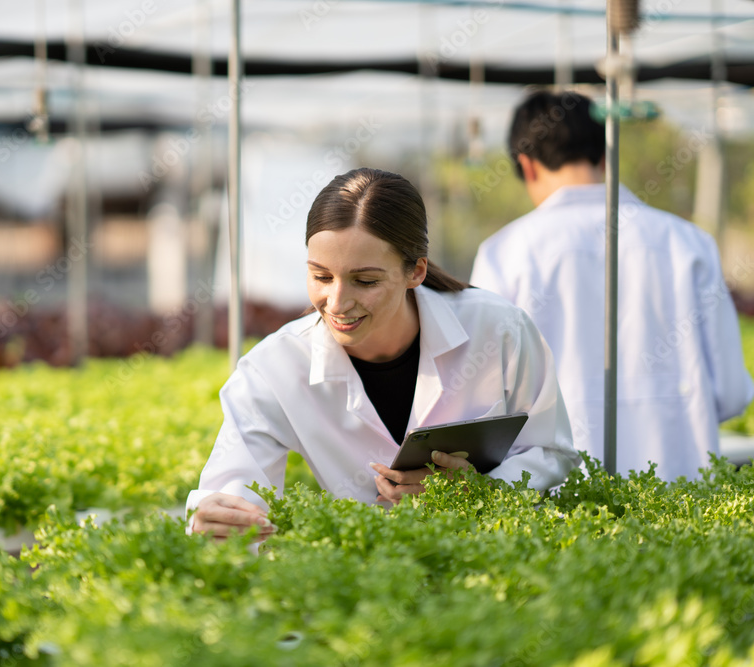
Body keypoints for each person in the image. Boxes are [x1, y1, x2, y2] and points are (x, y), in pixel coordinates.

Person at [188, 167, 580, 538]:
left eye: (365, 281)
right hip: (365, 582)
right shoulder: (275, 367)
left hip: (485, 565)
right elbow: (233, 485)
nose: (337, 303)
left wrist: (479, 492)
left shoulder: (498, 330)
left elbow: (551, 451)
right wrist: (217, 515)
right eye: (321, 276)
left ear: (416, 271)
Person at [470, 90, 754, 481]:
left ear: (527, 166)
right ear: (606, 154)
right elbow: (732, 393)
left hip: (553, 503)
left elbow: (484, 399)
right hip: (682, 500)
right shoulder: (688, 244)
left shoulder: (505, 253)